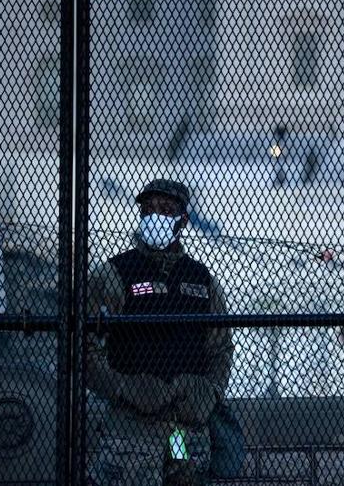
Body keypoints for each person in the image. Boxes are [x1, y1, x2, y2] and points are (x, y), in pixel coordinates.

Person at [87, 179, 234, 486]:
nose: (156, 216)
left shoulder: (202, 279)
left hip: (183, 432)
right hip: (132, 431)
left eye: (166, 210)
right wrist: (127, 388)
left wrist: (210, 392)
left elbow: (220, 348)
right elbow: (86, 351)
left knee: (183, 475)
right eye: (149, 209)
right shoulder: (113, 275)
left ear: (182, 220)